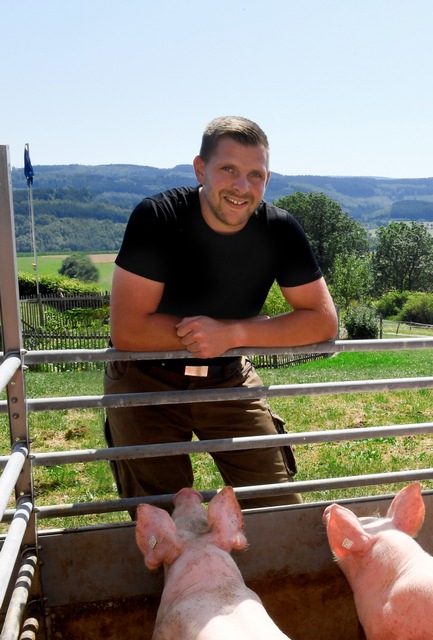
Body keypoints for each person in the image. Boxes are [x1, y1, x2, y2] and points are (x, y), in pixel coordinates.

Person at [104, 115, 338, 509]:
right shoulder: (158, 218)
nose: (242, 187)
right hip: (144, 379)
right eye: (228, 169)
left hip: (229, 376)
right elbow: (128, 330)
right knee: (163, 518)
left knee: (278, 506)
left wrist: (232, 334)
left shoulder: (279, 230)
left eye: (256, 175)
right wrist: (219, 334)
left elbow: (323, 321)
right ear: (201, 169)